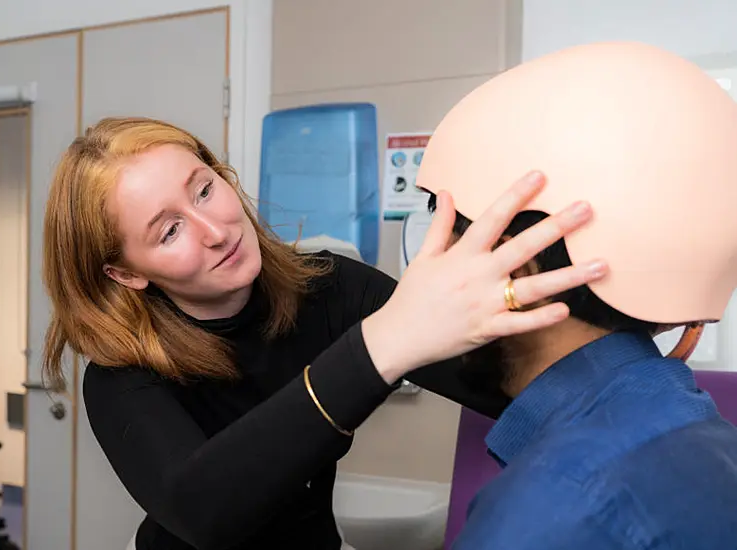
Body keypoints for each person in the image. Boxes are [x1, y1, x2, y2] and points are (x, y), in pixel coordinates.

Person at [39, 116, 606, 549]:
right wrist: (382, 346)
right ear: (126, 273)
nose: (216, 230)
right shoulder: (121, 381)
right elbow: (203, 510)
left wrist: (621, 319)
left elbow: (501, 383)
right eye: (169, 231)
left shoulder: (330, 290)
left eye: (205, 189)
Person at [414, 41, 737, 549]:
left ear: (517, 262)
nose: (426, 271)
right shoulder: (705, 434)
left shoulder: (546, 509)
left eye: (447, 233)